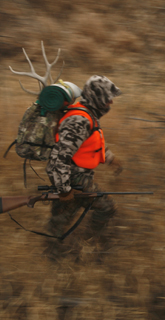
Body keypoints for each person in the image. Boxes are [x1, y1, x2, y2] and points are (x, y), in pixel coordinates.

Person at [45, 75, 123, 252]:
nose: (110, 103)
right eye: (107, 98)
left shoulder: (88, 116)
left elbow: (88, 145)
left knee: (60, 222)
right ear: (96, 97)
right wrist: (64, 189)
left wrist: (109, 158)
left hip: (77, 177)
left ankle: (56, 252)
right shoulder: (80, 120)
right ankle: (88, 244)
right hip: (74, 178)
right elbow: (60, 157)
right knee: (106, 208)